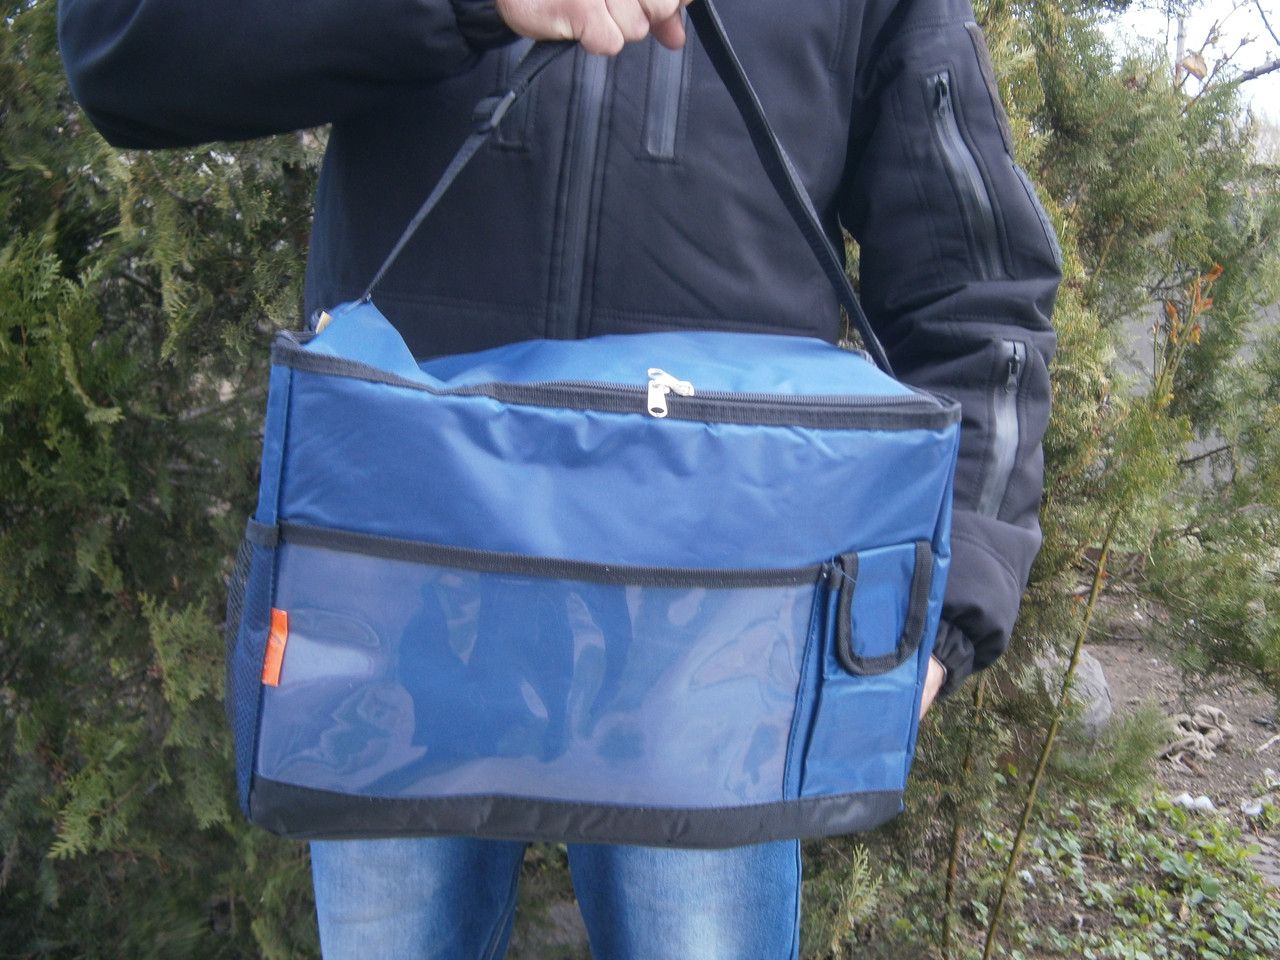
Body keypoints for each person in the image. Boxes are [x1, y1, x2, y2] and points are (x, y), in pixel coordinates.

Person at [59, 0, 1061, 955]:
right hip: (396, 567)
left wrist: (945, 605)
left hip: (722, 624)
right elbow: (124, 48)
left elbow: (975, 294)